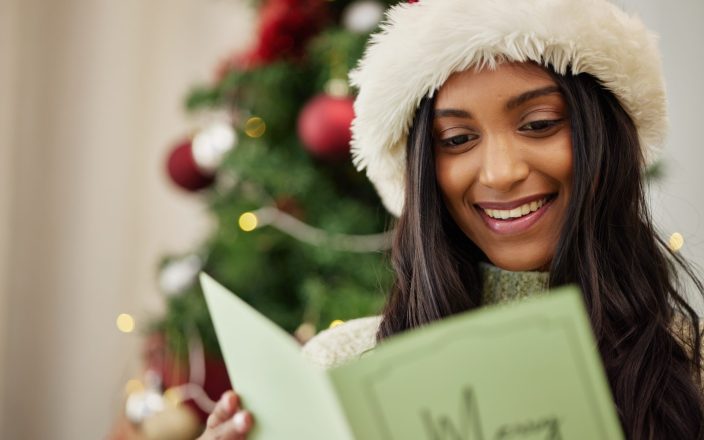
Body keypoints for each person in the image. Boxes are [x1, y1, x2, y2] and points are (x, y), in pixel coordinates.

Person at [198, 0, 704, 438]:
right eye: (457, 140)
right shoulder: (337, 365)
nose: (502, 173)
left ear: (606, 143)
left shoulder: (691, 368)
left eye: (540, 124)